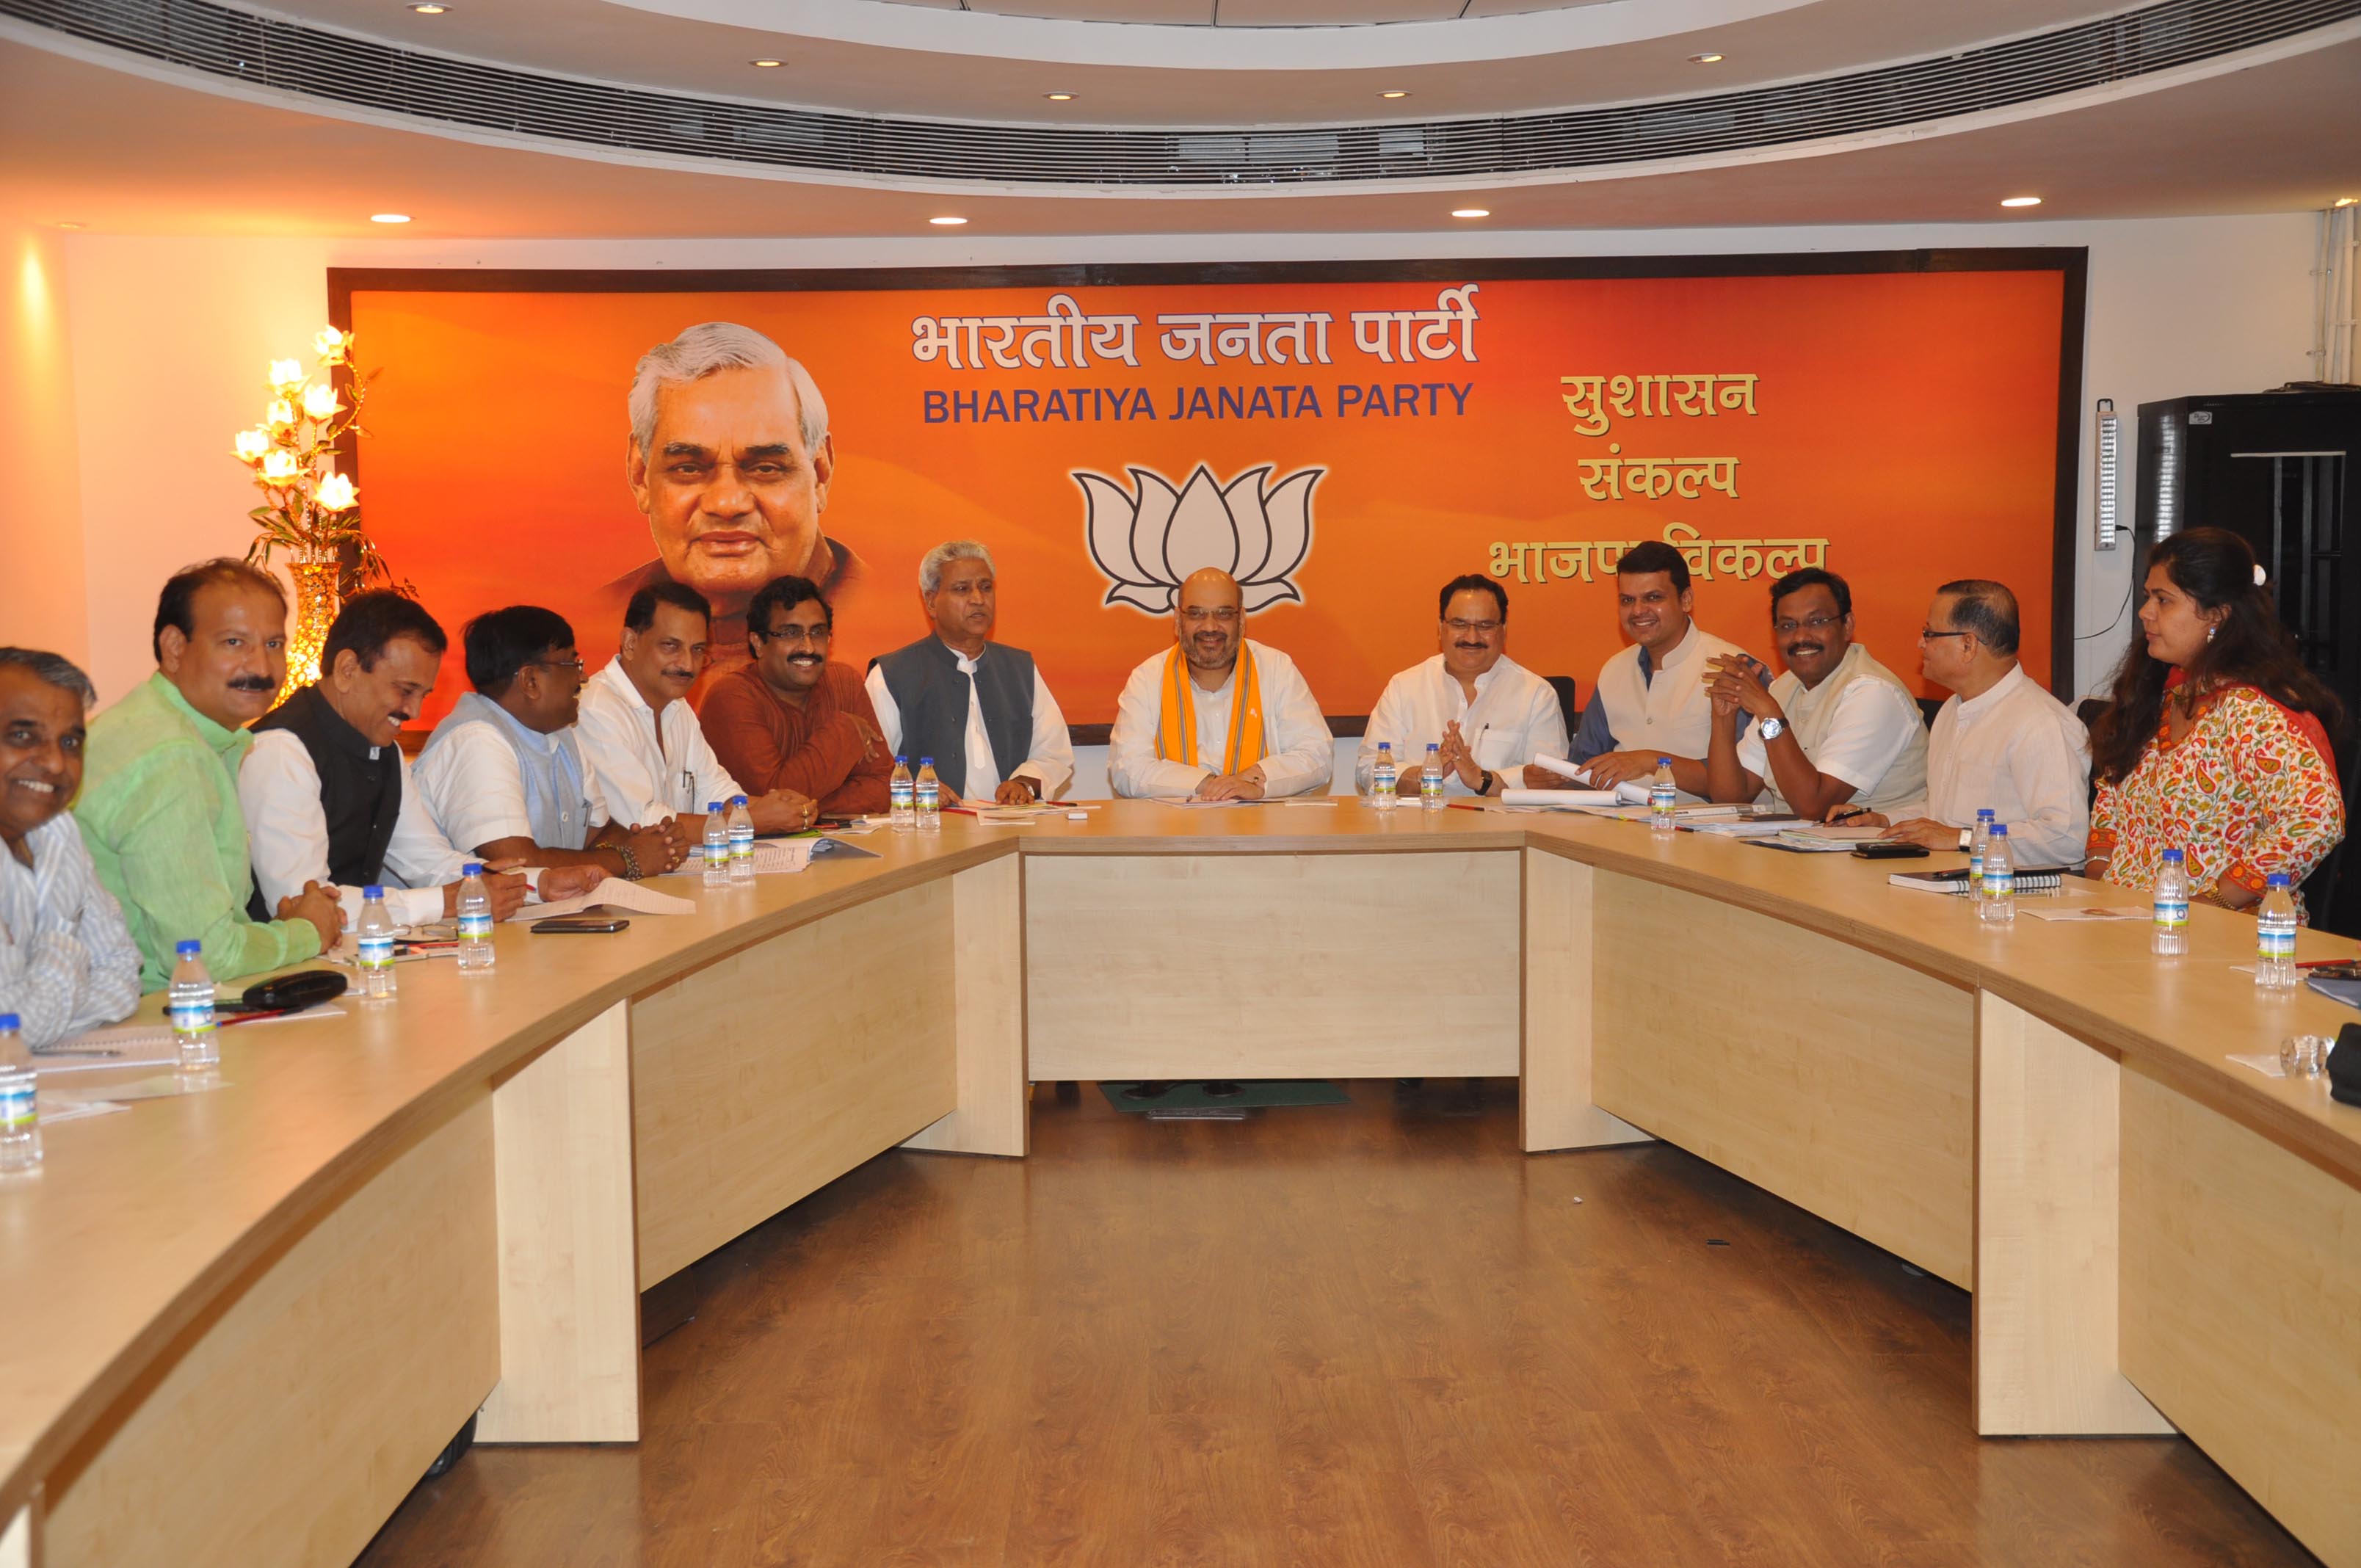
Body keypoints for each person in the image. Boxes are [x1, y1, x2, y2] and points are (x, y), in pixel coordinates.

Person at [239, 592, 597, 931]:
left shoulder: (385, 753)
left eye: (422, 695)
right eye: (405, 690)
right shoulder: (280, 750)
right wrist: (444, 903)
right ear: (348, 669)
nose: (414, 711)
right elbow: (302, 906)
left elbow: (428, 860)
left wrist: (539, 882)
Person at [75, 559, 343, 987]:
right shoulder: (169, 756)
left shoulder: (163, 727)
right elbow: (201, 957)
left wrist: (283, 931)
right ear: (175, 647)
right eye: (234, 642)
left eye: (275, 644)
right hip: (143, 1023)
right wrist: (307, 932)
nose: (261, 667)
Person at [608, 322, 868, 703]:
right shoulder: (607, 624)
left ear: (820, 474)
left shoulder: (880, 623)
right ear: (640, 475)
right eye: (689, 468)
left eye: (765, 468)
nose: (727, 505)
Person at [2085, 528, 2345, 910]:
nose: (2145, 612)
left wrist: (2219, 901)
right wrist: (2101, 867)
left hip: (2222, 940)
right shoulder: (2158, 695)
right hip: (2125, 917)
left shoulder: (2249, 713)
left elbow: (2316, 818)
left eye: (2164, 600)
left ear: (2216, 617)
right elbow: (2111, 786)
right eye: (2147, 597)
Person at [413, 606, 689, 882]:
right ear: (530, 681)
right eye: (572, 664)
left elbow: (600, 832)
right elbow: (518, 862)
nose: (582, 677)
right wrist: (628, 859)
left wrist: (656, 843)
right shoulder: (476, 740)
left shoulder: (560, 732)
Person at [1843, 580, 2091, 868]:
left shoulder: (2041, 723)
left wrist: (1964, 839)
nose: (1920, 643)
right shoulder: (1953, 708)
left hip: (2012, 897)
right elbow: (1943, 815)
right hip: (1950, 879)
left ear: (1968, 645)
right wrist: (1884, 819)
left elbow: (2065, 839)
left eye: (1929, 633)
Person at [576, 581, 819, 841]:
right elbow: (641, 821)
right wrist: (753, 821)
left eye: (698, 650)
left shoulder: (676, 706)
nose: (687, 665)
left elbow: (716, 792)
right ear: (630, 643)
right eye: (671, 646)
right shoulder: (596, 708)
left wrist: (781, 807)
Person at [1704, 567, 1929, 818]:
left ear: (1847, 625)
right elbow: (1732, 796)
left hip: (1877, 850)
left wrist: (1768, 712)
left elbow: (1815, 807)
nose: (1801, 636)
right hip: (1803, 845)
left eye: (1817, 622)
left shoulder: (1873, 692)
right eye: (1788, 625)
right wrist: (1724, 716)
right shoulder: (1785, 686)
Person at [0, 648, 140, 1044]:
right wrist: (64, 941)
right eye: (23, 736)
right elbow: (13, 1026)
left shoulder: (57, 830)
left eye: (69, 742)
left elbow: (123, 970)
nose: (56, 764)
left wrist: (43, 1015)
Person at [867, 542, 1075, 805]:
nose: (978, 599)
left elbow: (1053, 753)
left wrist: (1025, 785)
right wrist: (914, 789)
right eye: (962, 589)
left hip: (1011, 830)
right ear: (931, 601)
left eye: (986, 587)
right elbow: (870, 769)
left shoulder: (1020, 668)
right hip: (931, 835)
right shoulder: (890, 675)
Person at [1108, 567, 1332, 799]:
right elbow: (1127, 768)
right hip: (1174, 833)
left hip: (1265, 833)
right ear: (1177, 620)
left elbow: (1316, 755)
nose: (1210, 627)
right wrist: (1212, 784)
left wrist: (1254, 780)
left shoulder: (1277, 669)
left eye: (1224, 614)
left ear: (1242, 620)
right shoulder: (1147, 678)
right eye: (1196, 614)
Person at [1570, 541, 1769, 796]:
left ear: (1686, 600)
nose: (1638, 611)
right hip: (1618, 825)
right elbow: (1581, 765)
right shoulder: (1614, 669)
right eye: (1628, 600)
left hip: (1709, 830)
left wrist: (1650, 761)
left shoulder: (1733, 668)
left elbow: (1742, 783)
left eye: (1653, 598)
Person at [1356, 574, 1567, 797]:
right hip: (1416, 826)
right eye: (1460, 624)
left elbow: (1551, 779)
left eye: (1485, 625)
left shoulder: (1537, 695)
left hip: (1503, 829)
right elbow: (1369, 769)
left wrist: (1482, 779)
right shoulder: (1404, 687)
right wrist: (1427, 774)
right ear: (1440, 628)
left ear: (1503, 631)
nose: (1472, 637)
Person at [700, 575, 893, 816]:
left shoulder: (845, 683)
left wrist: (808, 810)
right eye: (791, 633)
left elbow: (885, 786)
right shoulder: (732, 696)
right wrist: (844, 731)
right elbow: (771, 795)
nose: (809, 648)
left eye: (818, 633)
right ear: (758, 643)